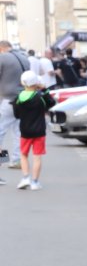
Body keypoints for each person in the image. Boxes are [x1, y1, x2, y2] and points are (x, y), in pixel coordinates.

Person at [11, 70, 53, 190]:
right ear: (36, 82)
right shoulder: (40, 97)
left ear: (22, 82)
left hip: (25, 131)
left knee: (23, 154)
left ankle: (25, 178)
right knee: (37, 157)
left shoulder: (18, 98)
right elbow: (51, 103)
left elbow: (16, 115)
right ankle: (35, 182)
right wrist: (44, 90)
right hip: (39, 131)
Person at [0, 39, 27, 175]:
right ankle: (16, 160)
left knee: (1, 129)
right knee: (18, 131)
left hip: (8, 99)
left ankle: (2, 159)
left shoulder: (3, 58)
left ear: (1, 48)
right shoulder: (24, 58)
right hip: (23, 99)